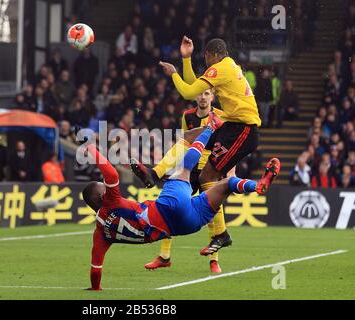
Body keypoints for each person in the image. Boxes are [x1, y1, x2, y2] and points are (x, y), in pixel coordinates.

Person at [82, 112, 280, 290]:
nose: (104, 186)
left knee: (226, 184)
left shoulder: (100, 235)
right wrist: (91, 148)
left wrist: (95, 288)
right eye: (101, 186)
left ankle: (257, 186)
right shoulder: (110, 201)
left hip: (185, 226)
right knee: (183, 168)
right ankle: (210, 130)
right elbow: (111, 174)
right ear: (100, 196)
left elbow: (96, 269)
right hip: (169, 207)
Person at [149, 37, 261, 256]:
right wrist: (186, 59)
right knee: (190, 137)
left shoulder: (221, 68)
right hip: (232, 125)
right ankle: (155, 172)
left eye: (205, 57)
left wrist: (173, 72)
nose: (206, 61)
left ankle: (222, 232)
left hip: (243, 128)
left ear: (212, 54)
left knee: (209, 177)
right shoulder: (228, 67)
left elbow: (188, 92)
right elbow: (195, 87)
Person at [133, 89, 233, 273]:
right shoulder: (187, 116)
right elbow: (185, 141)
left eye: (207, 93)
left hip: (211, 169)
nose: (203, 97)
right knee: (169, 208)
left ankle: (214, 260)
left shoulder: (220, 116)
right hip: (191, 168)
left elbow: (229, 145)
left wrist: (229, 169)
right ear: (195, 96)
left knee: (212, 215)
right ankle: (164, 256)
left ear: (212, 97)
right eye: (200, 94)